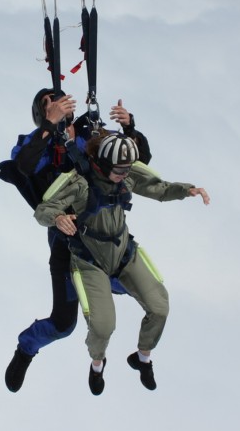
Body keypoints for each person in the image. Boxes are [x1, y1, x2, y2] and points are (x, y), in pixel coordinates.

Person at [34, 133, 210, 395]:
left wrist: (186, 190)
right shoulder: (79, 182)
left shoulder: (126, 176)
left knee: (159, 307)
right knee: (103, 327)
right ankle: (97, 365)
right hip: (90, 260)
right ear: (103, 164)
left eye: (127, 169)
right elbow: (43, 210)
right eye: (119, 170)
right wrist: (58, 218)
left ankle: (142, 358)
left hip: (124, 252)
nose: (124, 174)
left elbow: (158, 188)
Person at [0, 89, 151, 393]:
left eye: (59, 99)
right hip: (68, 244)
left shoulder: (91, 134)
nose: (57, 104)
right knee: (63, 324)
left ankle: (136, 357)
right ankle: (26, 348)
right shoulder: (36, 144)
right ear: (42, 112)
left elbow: (137, 160)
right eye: (48, 103)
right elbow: (23, 167)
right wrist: (48, 125)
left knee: (144, 290)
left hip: (106, 237)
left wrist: (130, 127)